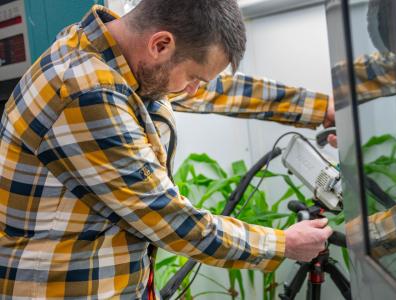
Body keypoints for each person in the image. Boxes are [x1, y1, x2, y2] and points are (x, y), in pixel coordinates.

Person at [0, 1, 335, 298]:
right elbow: (169, 218)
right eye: (193, 78)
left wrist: (324, 109)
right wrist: (284, 244)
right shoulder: (86, 92)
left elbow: (220, 90)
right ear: (161, 44)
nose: (192, 89)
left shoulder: (117, 54)